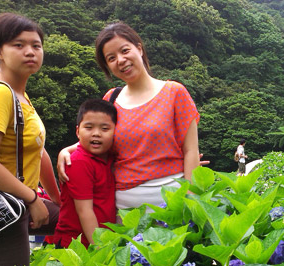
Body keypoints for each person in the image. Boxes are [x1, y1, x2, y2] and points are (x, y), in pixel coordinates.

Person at [58, 22, 200, 210]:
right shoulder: (111, 99)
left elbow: (191, 151)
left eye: (125, 50)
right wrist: (67, 151)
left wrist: (191, 202)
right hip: (122, 208)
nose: (121, 60)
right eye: (111, 58)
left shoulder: (174, 92)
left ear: (139, 49)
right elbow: (99, 140)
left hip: (171, 202)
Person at [0, 13, 60, 266]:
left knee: (75, 222)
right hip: (3, 208)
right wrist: (33, 199)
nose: (30, 51)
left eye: (36, 45)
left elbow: (38, 153)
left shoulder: (20, 96)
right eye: (19, 44)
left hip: (20, 202)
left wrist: (57, 198)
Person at [48, 99, 117, 248]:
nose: (96, 134)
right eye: (89, 127)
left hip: (99, 240)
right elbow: (85, 212)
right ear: (78, 131)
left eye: (105, 129)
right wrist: (99, 249)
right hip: (76, 245)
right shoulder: (79, 162)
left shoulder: (110, 156)